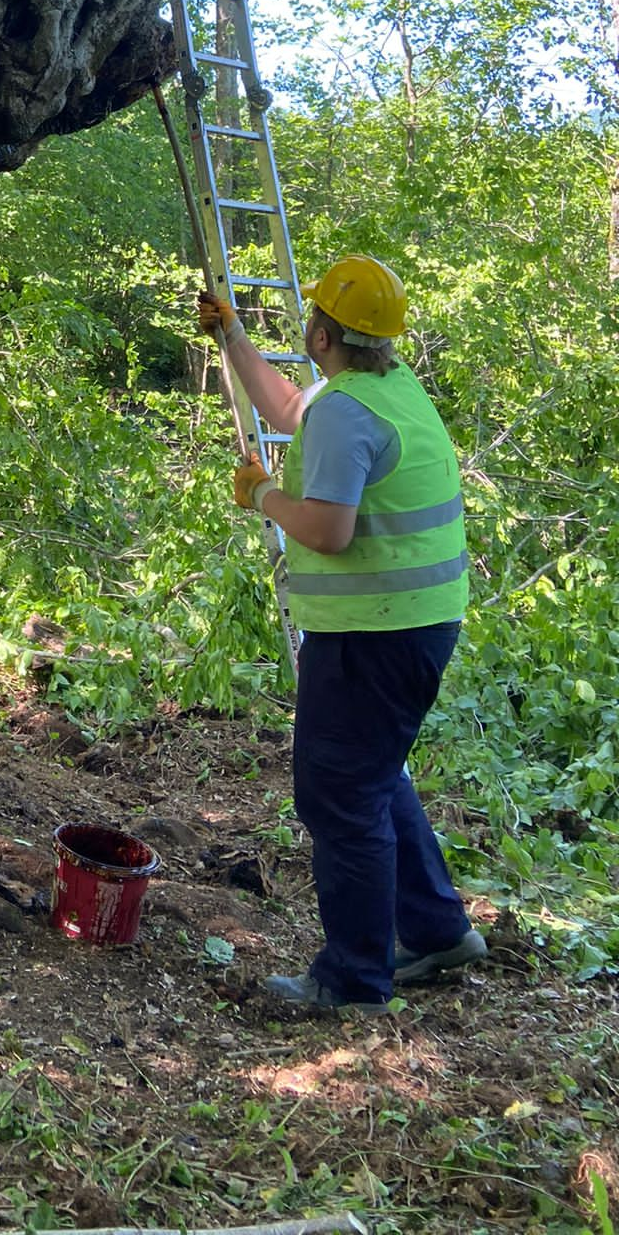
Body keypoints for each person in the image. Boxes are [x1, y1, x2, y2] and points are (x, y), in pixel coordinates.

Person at [199, 254, 485, 1010]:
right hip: (414, 626)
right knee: (374, 774)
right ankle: (435, 931)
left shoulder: (348, 413)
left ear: (321, 333)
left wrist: (262, 492)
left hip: (372, 636)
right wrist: (233, 339)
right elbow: (291, 408)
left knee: (338, 794)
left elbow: (327, 530)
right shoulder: (387, 392)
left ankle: (353, 978)